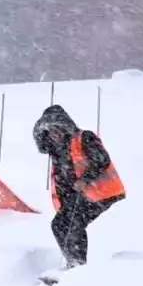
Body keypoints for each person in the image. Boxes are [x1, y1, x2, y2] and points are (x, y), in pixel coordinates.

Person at [33, 104, 125, 268]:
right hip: (77, 197)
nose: (56, 133)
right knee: (58, 224)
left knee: (75, 222)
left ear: (66, 126)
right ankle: (71, 261)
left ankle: (78, 264)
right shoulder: (56, 151)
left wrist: (84, 180)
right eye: (51, 130)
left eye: (58, 128)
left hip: (104, 193)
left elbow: (101, 159)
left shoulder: (84, 138)